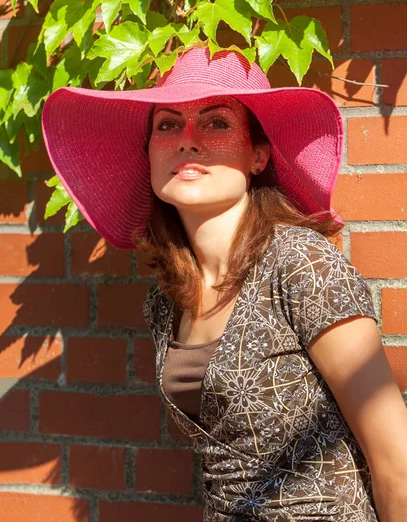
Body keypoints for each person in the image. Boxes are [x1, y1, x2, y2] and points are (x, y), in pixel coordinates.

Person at [42, 46, 407, 521]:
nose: (187, 141)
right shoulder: (166, 300)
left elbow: (396, 459)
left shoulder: (298, 263)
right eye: (168, 124)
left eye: (216, 123)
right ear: (149, 152)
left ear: (258, 155)